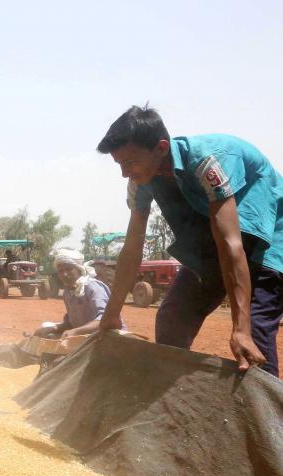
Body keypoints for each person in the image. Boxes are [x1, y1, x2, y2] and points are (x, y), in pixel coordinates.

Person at [95, 105, 283, 376]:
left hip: (268, 240)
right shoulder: (141, 181)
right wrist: (110, 315)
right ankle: (175, 404)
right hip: (216, 245)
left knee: (253, 334)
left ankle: (265, 417)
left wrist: (240, 329)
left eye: (131, 162)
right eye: (119, 164)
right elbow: (132, 248)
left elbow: (231, 242)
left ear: (161, 148)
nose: (125, 172)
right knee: (173, 316)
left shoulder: (206, 163)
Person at [34, 249, 113, 339]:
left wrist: (76, 331)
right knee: (46, 332)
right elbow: (70, 323)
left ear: (79, 269)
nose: (65, 274)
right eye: (60, 271)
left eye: (69, 269)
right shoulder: (68, 292)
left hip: (107, 337)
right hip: (87, 336)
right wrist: (53, 328)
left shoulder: (92, 287)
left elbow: (105, 320)